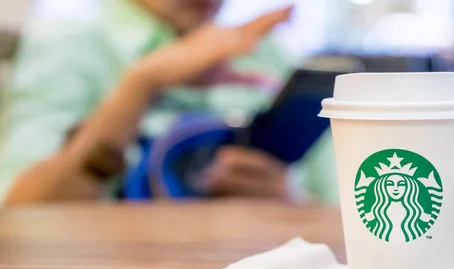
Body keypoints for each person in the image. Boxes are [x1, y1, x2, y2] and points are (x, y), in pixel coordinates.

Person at [0, 0, 338, 205]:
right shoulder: (70, 45)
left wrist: (289, 201)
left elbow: (339, 206)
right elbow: (23, 208)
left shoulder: (267, 53)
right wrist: (142, 84)